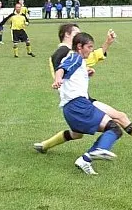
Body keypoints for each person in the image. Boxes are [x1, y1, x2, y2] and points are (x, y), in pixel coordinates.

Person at [34, 23, 132, 155]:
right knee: (115, 122)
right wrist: (60, 79)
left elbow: (86, 61)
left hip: (80, 99)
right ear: (67, 35)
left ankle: (44, 145)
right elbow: (62, 70)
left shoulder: (72, 53)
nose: (80, 34)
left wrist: (86, 69)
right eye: (77, 32)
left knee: (80, 132)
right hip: (77, 101)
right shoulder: (62, 52)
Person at [52, 32, 124, 175]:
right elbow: (61, 69)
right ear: (79, 46)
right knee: (114, 128)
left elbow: (69, 74)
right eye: (89, 47)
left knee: (112, 129)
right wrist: (57, 79)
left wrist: (86, 74)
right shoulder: (75, 57)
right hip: (78, 106)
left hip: (70, 109)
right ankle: (95, 152)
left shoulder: (78, 60)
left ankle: (85, 159)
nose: (91, 50)